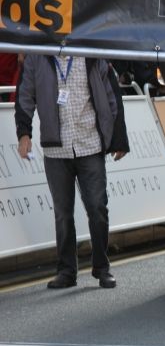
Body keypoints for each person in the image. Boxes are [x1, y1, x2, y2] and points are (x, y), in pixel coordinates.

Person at [15, 54, 130, 289]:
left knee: (97, 208)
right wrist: (23, 133)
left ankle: (102, 267)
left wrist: (119, 139)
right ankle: (67, 271)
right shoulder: (36, 58)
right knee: (62, 214)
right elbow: (25, 94)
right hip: (56, 150)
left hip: (90, 145)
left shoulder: (92, 56)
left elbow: (112, 96)